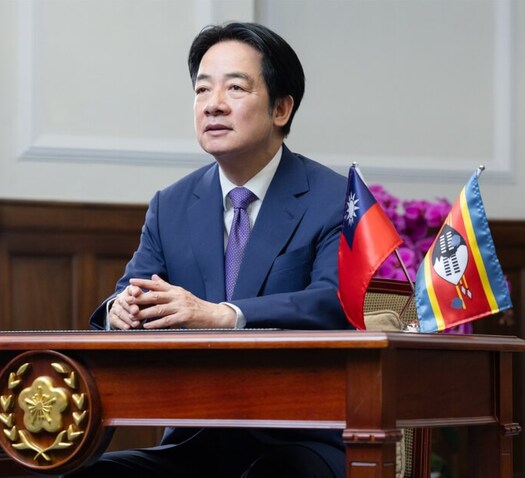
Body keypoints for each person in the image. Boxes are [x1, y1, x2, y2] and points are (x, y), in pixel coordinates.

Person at [81, 22, 351, 478]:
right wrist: (120, 311)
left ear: (281, 108)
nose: (213, 104)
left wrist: (226, 315)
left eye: (235, 88)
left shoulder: (334, 198)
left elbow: (333, 302)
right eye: (202, 90)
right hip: (195, 438)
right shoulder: (171, 204)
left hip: (299, 436)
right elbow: (131, 289)